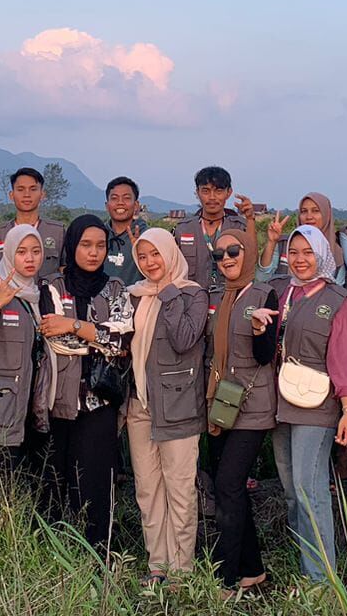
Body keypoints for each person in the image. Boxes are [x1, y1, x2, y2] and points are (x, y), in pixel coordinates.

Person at [272, 225, 347, 592]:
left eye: (308, 252)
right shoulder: (283, 293)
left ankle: (322, 581)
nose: (300, 259)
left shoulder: (337, 300)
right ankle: (305, 565)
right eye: (294, 252)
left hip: (318, 407)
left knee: (311, 492)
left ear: (322, 254)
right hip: (282, 403)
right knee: (292, 491)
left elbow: (342, 360)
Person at [126, 228, 209, 588]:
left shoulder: (191, 294)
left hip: (178, 406)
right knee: (148, 489)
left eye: (155, 254)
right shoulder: (136, 297)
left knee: (180, 490)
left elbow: (184, 339)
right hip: (140, 406)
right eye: (142, 257)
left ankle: (182, 569)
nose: (149, 263)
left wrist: (169, 293)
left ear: (170, 253)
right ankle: (157, 563)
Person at [43, 214, 132, 550]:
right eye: (86, 245)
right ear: (71, 245)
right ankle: (53, 558)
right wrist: (99, 336)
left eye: (101, 246)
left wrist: (74, 325)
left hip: (99, 402)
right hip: (57, 401)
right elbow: (53, 339)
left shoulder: (115, 288)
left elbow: (123, 344)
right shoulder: (51, 286)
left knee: (96, 485)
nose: (94, 253)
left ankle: (97, 557)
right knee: (54, 484)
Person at [205, 226, 277, 598]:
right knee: (228, 487)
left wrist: (260, 330)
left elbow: (266, 356)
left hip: (251, 407)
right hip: (220, 405)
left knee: (228, 486)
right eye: (219, 255)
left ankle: (226, 580)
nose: (227, 259)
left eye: (234, 251)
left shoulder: (265, 293)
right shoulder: (218, 295)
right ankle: (253, 571)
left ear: (248, 252)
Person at [0, 224, 53, 466]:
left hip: (29, 404)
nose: (30, 259)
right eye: (22, 252)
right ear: (9, 254)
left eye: (36, 251)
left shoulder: (39, 295)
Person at [173, 166, 254, 300]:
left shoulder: (239, 227)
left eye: (218, 191)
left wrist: (250, 219)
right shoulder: (182, 230)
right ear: (197, 193)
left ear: (229, 192)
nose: (212, 197)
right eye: (205, 191)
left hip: (230, 300)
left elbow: (251, 259)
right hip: (191, 302)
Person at [0, 168, 65, 290]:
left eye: (33, 189)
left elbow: (64, 273)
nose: (27, 195)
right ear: (11, 195)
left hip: (46, 304)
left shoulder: (57, 233)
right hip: (6, 304)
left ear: (42, 194)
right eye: (20, 189)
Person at [259, 192, 344, 286]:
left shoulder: (336, 252)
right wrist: (272, 242)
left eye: (315, 211)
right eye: (304, 211)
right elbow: (262, 277)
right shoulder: (284, 244)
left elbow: (337, 289)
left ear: (326, 215)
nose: (309, 217)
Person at [102, 177, 147, 287]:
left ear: (136, 205)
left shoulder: (147, 237)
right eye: (114, 198)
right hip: (99, 301)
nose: (120, 203)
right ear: (107, 206)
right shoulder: (99, 235)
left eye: (126, 198)